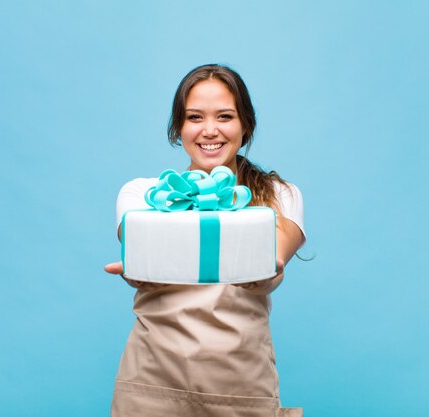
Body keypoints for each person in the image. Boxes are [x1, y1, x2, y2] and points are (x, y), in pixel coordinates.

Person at [104, 64, 306, 417]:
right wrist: (141, 261)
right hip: (151, 384)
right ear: (178, 129)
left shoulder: (279, 195)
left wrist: (163, 255)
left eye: (225, 116)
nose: (209, 130)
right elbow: (137, 247)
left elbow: (271, 257)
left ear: (246, 125)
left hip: (242, 388)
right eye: (195, 117)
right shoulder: (141, 194)